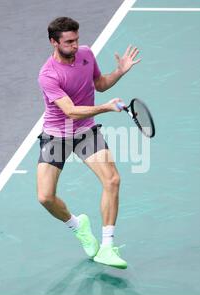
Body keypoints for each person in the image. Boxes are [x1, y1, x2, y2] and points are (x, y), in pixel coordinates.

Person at [37, 17, 141, 269]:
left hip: (85, 132)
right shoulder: (48, 75)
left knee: (112, 179)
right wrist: (105, 108)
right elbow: (70, 111)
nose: (75, 45)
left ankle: (106, 246)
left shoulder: (86, 54)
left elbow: (100, 84)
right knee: (45, 197)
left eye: (77, 40)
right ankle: (78, 226)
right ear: (53, 42)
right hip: (57, 136)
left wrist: (119, 72)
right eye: (69, 42)